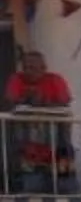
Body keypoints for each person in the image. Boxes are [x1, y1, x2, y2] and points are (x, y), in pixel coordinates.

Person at [4, 49, 76, 190]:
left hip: (59, 147)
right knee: (31, 192)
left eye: (32, 68)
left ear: (43, 68)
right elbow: (8, 103)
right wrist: (25, 99)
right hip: (27, 150)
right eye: (25, 67)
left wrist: (42, 101)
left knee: (66, 191)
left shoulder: (55, 79)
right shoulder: (17, 79)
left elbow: (64, 103)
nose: (28, 71)